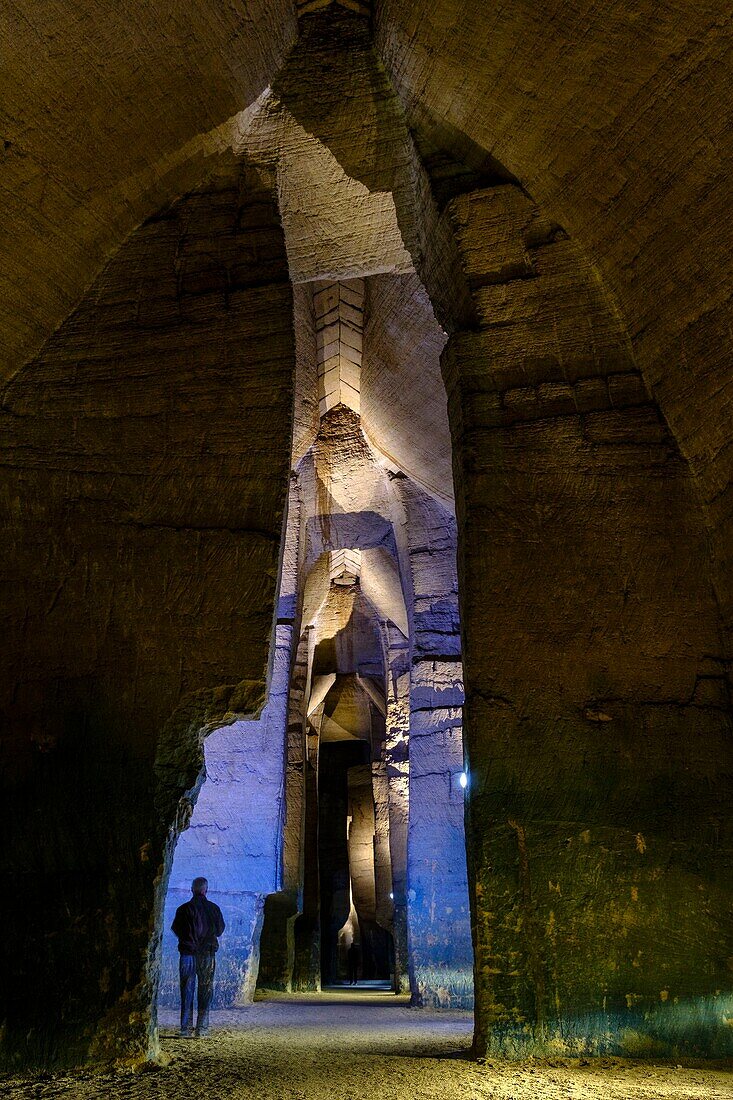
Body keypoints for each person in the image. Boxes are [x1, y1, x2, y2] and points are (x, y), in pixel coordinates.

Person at [171, 876, 225, 1038]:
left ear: (192, 890)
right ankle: (202, 1029)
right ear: (205, 890)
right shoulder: (214, 909)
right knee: (205, 989)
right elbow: (220, 930)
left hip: (187, 953)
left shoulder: (183, 909)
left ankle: (185, 1029)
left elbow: (176, 929)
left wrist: (188, 939)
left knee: (186, 989)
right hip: (207, 954)